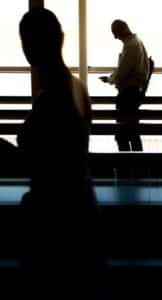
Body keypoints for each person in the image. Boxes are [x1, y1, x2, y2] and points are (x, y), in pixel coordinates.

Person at [18, 8, 101, 298]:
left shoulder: (52, 98)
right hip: (80, 213)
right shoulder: (78, 87)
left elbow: (37, 162)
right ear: (62, 38)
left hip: (54, 225)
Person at [100, 19, 150, 152]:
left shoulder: (130, 46)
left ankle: (125, 167)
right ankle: (138, 168)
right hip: (134, 92)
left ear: (121, 31)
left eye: (115, 33)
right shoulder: (137, 42)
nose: (114, 37)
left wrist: (111, 79)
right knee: (133, 132)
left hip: (128, 94)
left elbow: (122, 71)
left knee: (121, 134)